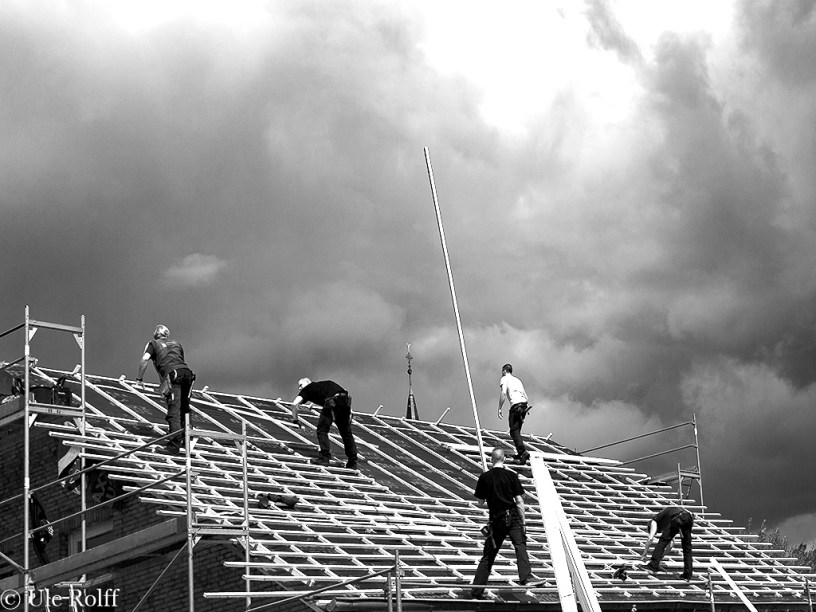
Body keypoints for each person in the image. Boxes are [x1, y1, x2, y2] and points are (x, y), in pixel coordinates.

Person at [471, 447, 537, 599]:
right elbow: (519, 501)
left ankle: (476, 591)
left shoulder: (485, 477)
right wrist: (523, 521)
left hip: (496, 520)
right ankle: (526, 578)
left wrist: (490, 494)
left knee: (488, 555)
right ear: (504, 459)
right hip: (512, 517)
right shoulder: (511, 476)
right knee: (520, 545)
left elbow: (480, 502)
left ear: (491, 459)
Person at [137, 325, 195, 454]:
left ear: (155, 334)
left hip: (173, 376)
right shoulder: (177, 344)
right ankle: (188, 441)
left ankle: (173, 446)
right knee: (185, 408)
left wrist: (139, 379)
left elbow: (145, 360)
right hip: (187, 374)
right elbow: (180, 362)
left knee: (174, 411)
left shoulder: (152, 344)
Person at [291, 378, 358, 470]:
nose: (299, 388)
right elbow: (343, 394)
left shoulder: (308, 388)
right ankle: (352, 462)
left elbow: (294, 404)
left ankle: (324, 458)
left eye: (300, 385)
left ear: (308, 382)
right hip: (344, 402)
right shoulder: (325, 385)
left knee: (322, 430)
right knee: (346, 433)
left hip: (332, 402)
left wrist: (295, 420)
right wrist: (349, 412)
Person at [641, 505, 694, 580]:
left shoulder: (654, 521)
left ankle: (652, 566)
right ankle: (687, 575)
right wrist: (661, 557)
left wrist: (644, 553)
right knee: (687, 549)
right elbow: (671, 543)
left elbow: (650, 538)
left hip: (678, 518)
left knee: (662, 542)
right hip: (688, 518)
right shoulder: (667, 517)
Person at [498, 364, 530, 464]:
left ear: (504, 371)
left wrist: (499, 408)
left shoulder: (504, 378)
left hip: (516, 406)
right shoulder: (517, 380)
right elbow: (525, 396)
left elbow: (503, 393)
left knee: (514, 431)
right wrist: (525, 409)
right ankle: (520, 453)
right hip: (523, 405)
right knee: (517, 431)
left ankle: (523, 452)